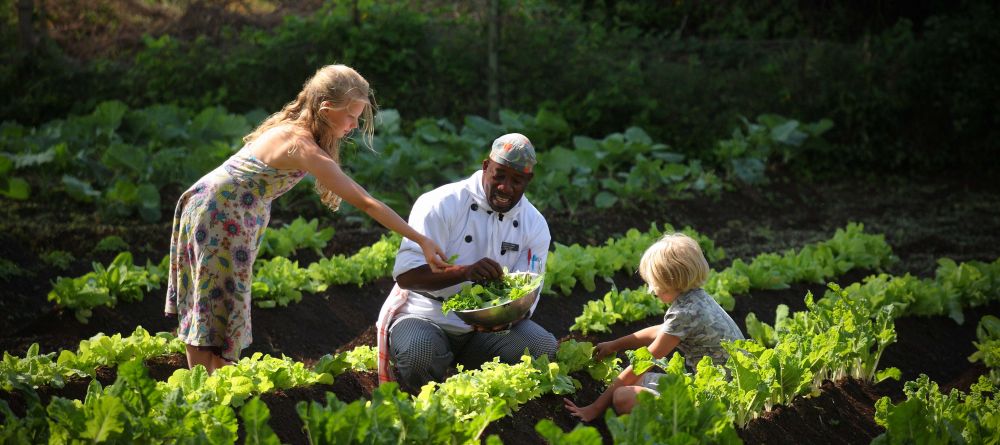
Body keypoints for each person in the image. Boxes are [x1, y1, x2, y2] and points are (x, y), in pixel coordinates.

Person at [164, 64, 449, 374]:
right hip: (221, 214)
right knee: (216, 301)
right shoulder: (302, 146)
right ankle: (206, 387)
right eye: (351, 116)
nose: (354, 125)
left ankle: (207, 385)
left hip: (214, 206)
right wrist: (421, 239)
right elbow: (366, 202)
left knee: (214, 300)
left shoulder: (292, 127)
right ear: (326, 110)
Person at [375, 132, 558, 391]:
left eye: (517, 180)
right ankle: (426, 394)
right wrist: (464, 273)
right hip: (426, 315)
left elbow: (529, 287)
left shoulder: (534, 224)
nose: (506, 187)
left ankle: (478, 393)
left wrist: (504, 318)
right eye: (499, 175)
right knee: (419, 353)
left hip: (487, 331)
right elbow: (406, 276)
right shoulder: (442, 203)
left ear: (529, 180)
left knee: (542, 349)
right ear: (485, 167)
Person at [564, 233, 744, 421]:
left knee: (623, 397)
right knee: (636, 382)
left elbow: (644, 362)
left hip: (718, 400)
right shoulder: (698, 299)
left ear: (672, 281)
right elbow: (660, 330)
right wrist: (615, 345)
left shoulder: (685, 314)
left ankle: (675, 430)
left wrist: (594, 408)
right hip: (723, 389)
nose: (651, 290)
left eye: (655, 284)